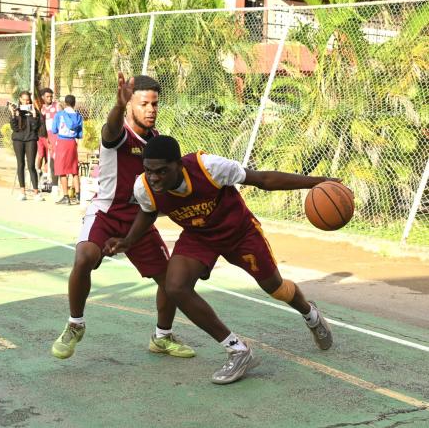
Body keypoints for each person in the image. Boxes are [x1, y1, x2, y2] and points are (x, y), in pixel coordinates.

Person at [104, 135, 340, 385]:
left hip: (240, 233)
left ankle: (310, 313)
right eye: (149, 170)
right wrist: (128, 241)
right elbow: (148, 212)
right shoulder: (144, 186)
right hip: (199, 236)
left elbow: (262, 179)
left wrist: (318, 182)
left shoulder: (209, 167)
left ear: (179, 165)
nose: (154, 177)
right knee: (175, 286)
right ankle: (238, 351)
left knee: (276, 289)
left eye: (161, 171)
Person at [51, 75, 195, 360]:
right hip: (106, 214)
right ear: (130, 104)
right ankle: (75, 324)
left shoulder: (157, 142)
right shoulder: (119, 135)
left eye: (155, 103)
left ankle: (162, 336)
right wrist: (117, 107)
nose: (151, 109)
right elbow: (111, 127)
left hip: (140, 219)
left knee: (169, 280)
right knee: (84, 257)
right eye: (144, 103)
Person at [8, 91, 44, 201]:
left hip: (31, 139)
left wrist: (34, 115)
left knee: (31, 165)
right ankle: (22, 192)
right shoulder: (16, 110)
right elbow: (14, 128)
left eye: (27, 99)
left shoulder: (34, 111)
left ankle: (36, 193)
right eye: (23, 99)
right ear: (20, 99)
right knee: (20, 164)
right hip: (18, 140)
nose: (26, 101)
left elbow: (35, 128)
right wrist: (13, 114)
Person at [52, 94, 83, 205]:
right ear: (74, 104)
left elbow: (54, 130)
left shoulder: (60, 114)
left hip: (62, 142)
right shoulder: (78, 116)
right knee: (74, 169)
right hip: (72, 143)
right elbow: (79, 134)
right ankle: (78, 196)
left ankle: (66, 197)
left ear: (65, 103)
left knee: (62, 170)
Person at [37, 88, 60, 195]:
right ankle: (40, 178)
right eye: (47, 96)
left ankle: (55, 185)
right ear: (43, 97)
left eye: (51, 96)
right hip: (44, 136)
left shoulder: (57, 106)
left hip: (55, 136)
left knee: (54, 159)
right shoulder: (42, 108)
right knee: (42, 157)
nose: (50, 98)